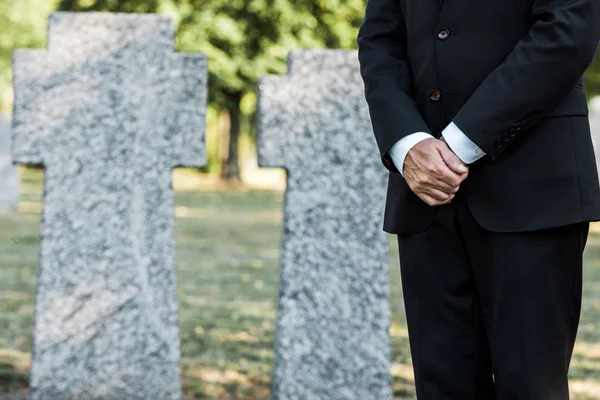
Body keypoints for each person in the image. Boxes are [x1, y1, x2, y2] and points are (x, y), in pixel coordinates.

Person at [357, 0, 600, 399]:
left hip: (533, 189)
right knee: (442, 388)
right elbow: (380, 39)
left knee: (529, 388)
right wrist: (408, 143)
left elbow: (567, 31)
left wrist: (459, 142)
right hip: (424, 193)